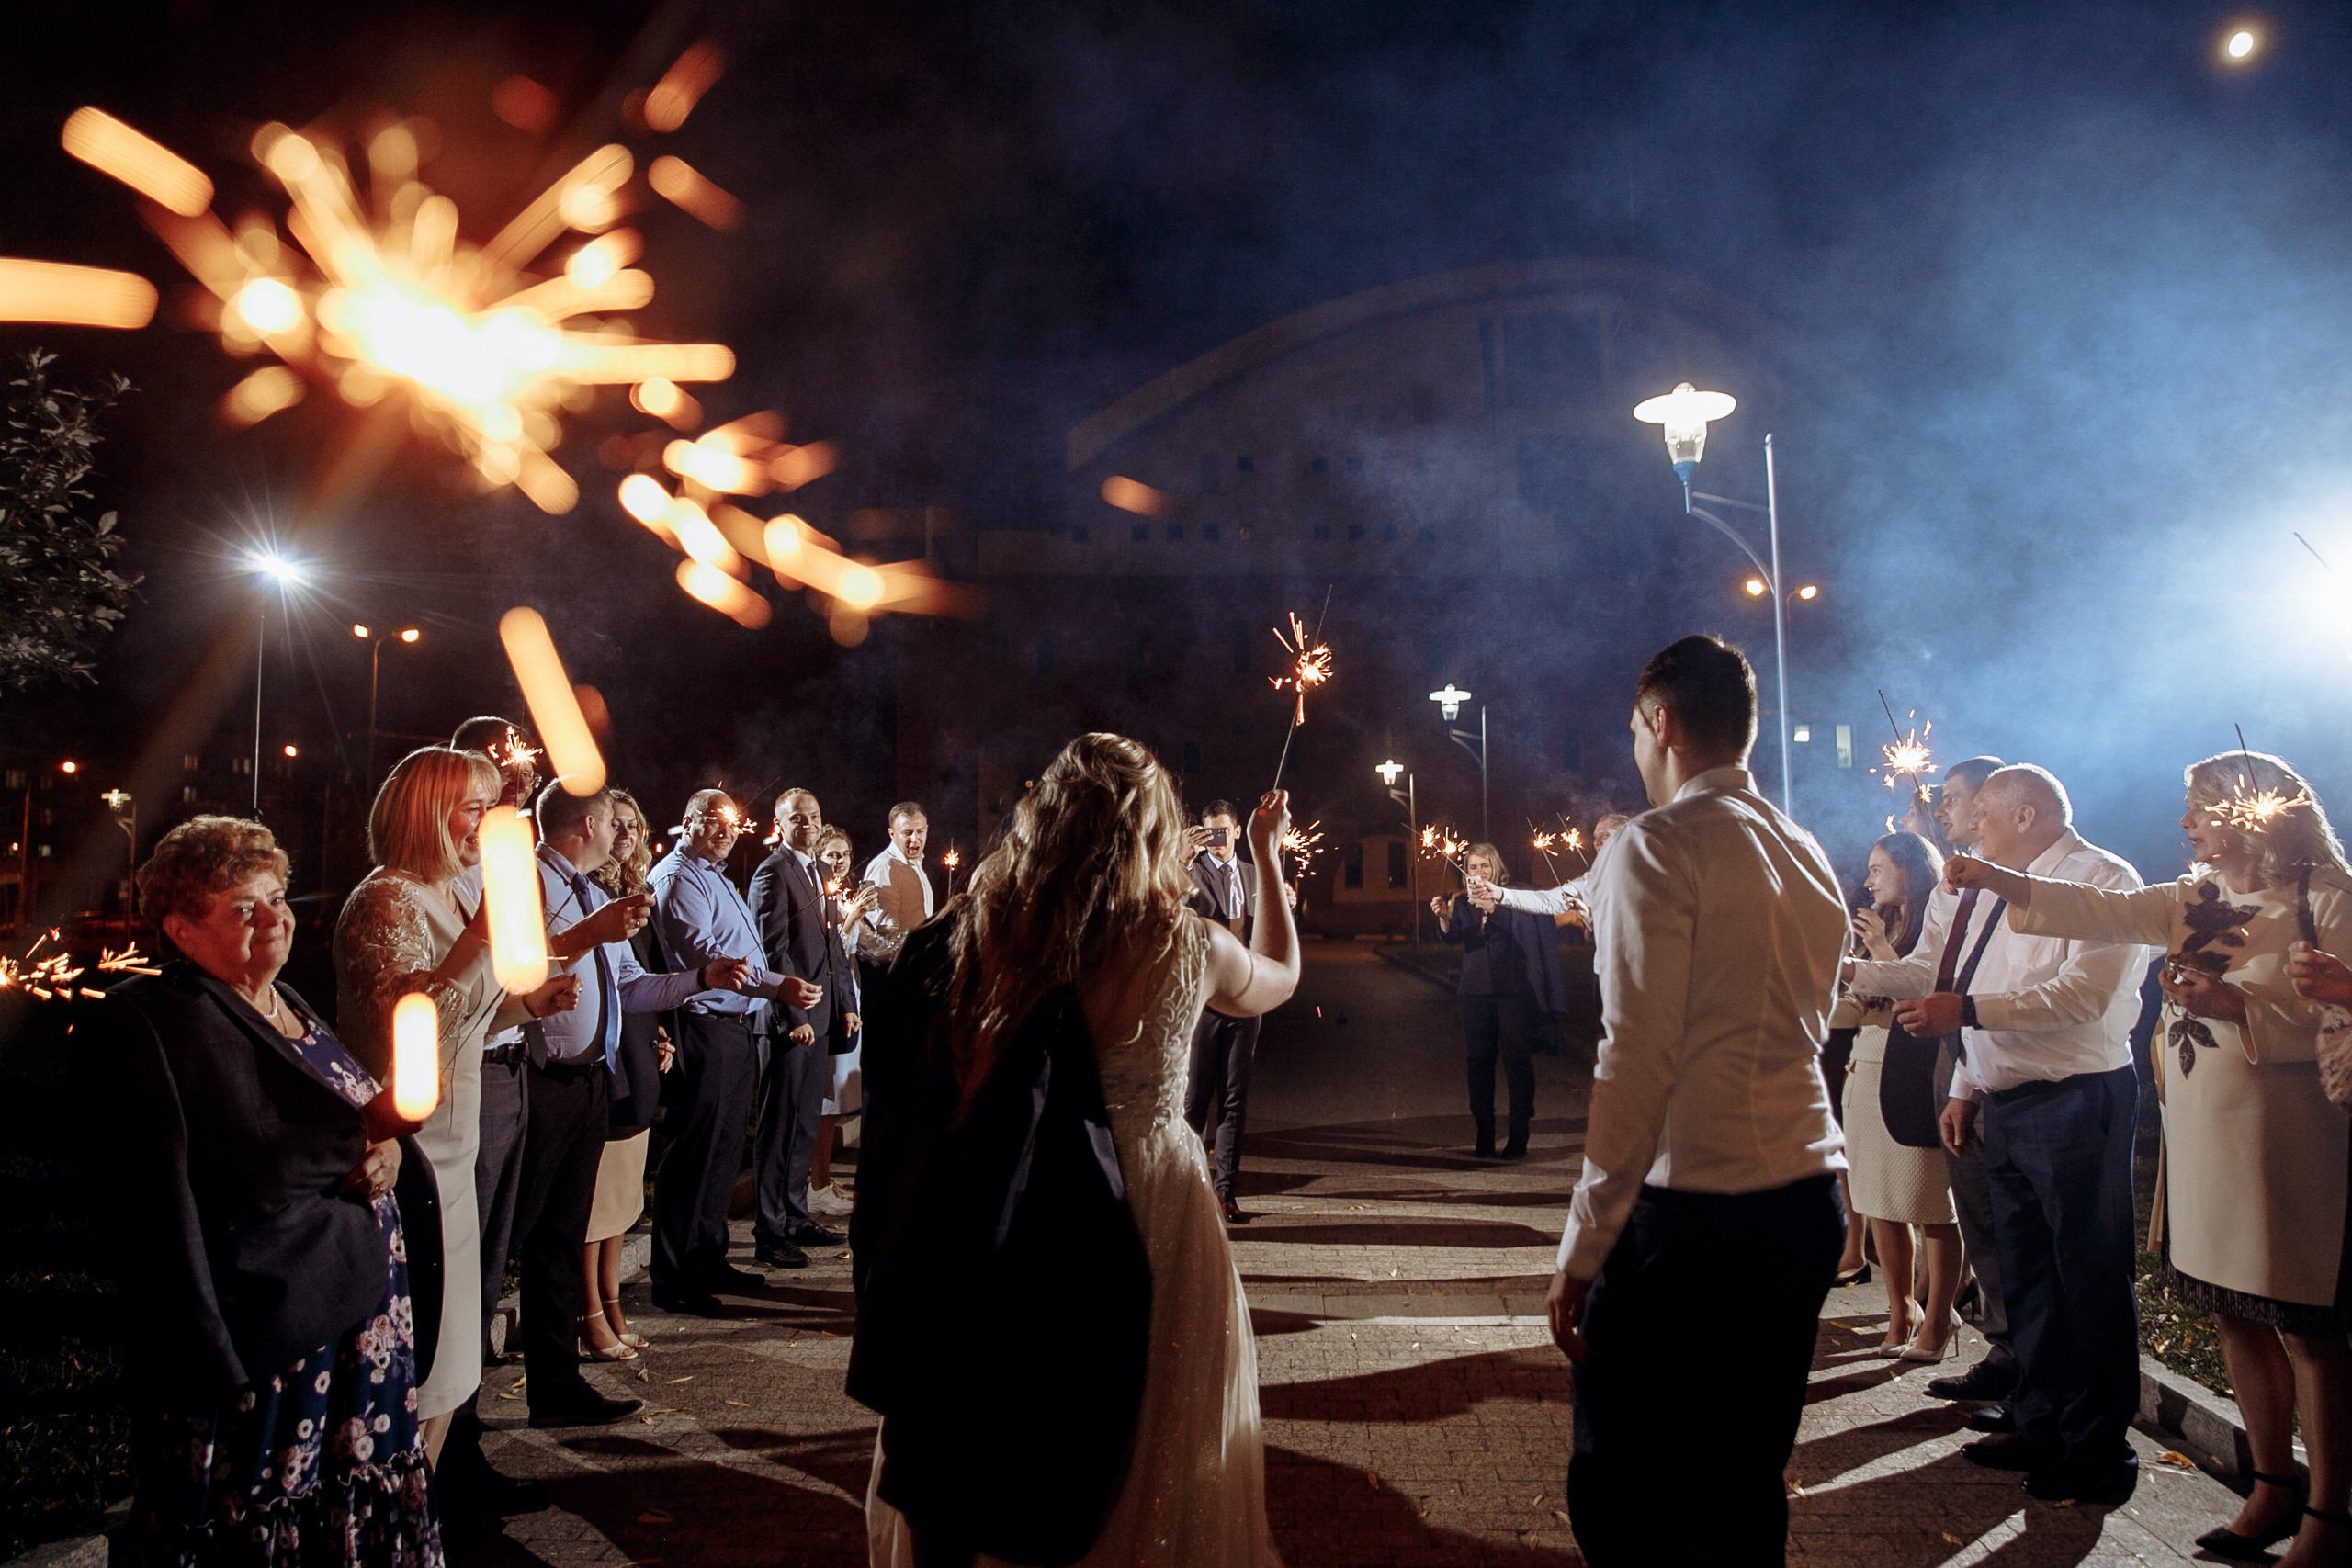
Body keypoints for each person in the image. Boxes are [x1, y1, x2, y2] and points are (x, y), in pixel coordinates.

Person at [854, 735, 1301, 1566]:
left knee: (1016, 1408)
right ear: (1153, 831)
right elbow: (1279, 972)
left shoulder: (994, 927)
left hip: (1019, 1193)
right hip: (1154, 1206)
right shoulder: (1185, 940)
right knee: (1156, 1428)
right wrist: (1270, 860)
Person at [1953, 751, 2352, 1558]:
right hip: (2204, 1129)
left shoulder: (2329, 900)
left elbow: (2335, 1015)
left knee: (2309, 1329)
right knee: (2233, 1311)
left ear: (2250, 814)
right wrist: (2003, 882)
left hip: (2288, 1133)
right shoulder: (2193, 899)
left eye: (2199, 807)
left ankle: (2329, 1516)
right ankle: (2271, 1487)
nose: (2184, 823)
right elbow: (2102, 911)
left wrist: (2241, 1002)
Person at [1545, 635, 1848, 1568]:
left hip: (1692, 1216)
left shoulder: (1656, 845)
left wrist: (1581, 1248)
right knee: (1743, 1480)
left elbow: (1634, 1056)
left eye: (1635, 734)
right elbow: (1819, 1015)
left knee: (1627, 1491)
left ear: (1659, 723)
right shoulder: (1804, 851)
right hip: (1805, 1196)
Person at [99, 817, 444, 1567]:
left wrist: (387, 1147)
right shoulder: (166, 1021)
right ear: (181, 929)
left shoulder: (288, 1001)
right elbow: (240, 1166)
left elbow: (347, 1118)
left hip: (357, 1328)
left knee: (342, 1506)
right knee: (258, 1514)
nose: (274, 916)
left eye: (278, 896)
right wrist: (366, 1134)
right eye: (242, 907)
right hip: (274, 1336)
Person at [1875, 763, 2154, 1506]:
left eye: (1983, 816)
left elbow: (2079, 996)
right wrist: (1967, 1082)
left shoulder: (2104, 880)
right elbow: (1947, 972)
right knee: (2027, 1273)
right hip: (2004, 1099)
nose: (1968, 828)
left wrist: (1961, 1014)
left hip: (2076, 1099)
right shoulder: (1998, 885)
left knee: (2087, 1275)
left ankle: (2098, 1446)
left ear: (2026, 814)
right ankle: (2040, 1416)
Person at [333, 747, 577, 1500]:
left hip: (456, 1152)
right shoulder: (387, 902)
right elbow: (408, 1025)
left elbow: (465, 1013)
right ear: (425, 813)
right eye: (473, 806)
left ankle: (419, 1518)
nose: (486, 822)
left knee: (453, 1359)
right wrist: (478, 937)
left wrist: (523, 1004)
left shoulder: (437, 895)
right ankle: (397, 1522)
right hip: (415, 1158)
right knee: (423, 1366)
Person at [514, 782, 752, 1425]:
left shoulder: (591, 892)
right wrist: (592, 931)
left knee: (565, 1235)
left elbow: (630, 984)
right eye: (615, 822)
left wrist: (698, 979)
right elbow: (512, 969)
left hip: (593, 1077)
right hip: (541, 1077)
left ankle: (556, 1386)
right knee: (531, 1236)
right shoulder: (528, 882)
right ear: (587, 823)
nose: (625, 834)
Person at [1851, 755, 2021, 1413]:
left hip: (2022, 1077)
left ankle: (2034, 1384)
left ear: (1996, 804)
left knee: (1996, 1231)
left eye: (1953, 799)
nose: (1942, 810)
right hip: (1964, 1072)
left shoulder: (2035, 884)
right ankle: (2007, 1360)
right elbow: (1924, 972)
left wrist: (1967, 1017)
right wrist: (1831, 964)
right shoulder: (1956, 892)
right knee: (1982, 1223)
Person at [647, 789, 825, 1314]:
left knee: (723, 1154)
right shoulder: (678, 878)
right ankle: (675, 1278)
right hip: (704, 1026)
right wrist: (779, 988)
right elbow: (704, 956)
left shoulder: (716, 876)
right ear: (687, 822)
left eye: (732, 823)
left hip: (734, 1026)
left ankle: (707, 1257)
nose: (725, 830)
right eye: (713, 820)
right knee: (694, 1156)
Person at [1836, 831, 1963, 1360]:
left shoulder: (1937, 924)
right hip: (1866, 1064)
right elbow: (1859, 1006)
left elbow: (1927, 991)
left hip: (1916, 1068)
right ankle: (1899, 1308)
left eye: (1878, 868)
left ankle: (1939, 1318)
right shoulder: (1878, 929)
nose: (1868, 881)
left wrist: (1881, 955)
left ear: (1909, 870)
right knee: (1877, 1199)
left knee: (1929, 1200)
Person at [447, 716, 540, 1371]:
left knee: (491, 1245)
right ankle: (447, 1417)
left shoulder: (505, 859)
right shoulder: (443, 876)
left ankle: (470, 1393)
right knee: (460, 1245)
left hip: (512, 1066)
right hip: (465, 1076)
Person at [749, 788, 863, 1267]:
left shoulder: (817, 872)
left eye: (814, 816)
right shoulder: (772, 873)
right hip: (791, 1022)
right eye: (798, 818)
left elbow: (832, 947)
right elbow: (772, 949)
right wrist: (792, 1016)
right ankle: (769, 1230)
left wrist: (845, 1004)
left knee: (802, 1125)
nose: (808, 824)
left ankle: (795, 1216)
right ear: (780, 824)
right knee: (779, 1126)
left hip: (820, 1017)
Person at [581, 788, 672, 1359]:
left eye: (633, 826)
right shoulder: (587, 894)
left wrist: (659, 1030)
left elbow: (641, 975)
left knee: (621, 1196)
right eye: (615, 825)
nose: (625, 835)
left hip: (636, 1039)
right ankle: (588, 1309)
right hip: (602, 1052)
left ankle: (611, 1300)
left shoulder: (633, 891)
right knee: (596, 1197)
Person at [1434, 842, 1567, 1159]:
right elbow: (1456, 938)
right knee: (1479, 1061)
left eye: (1484, 867)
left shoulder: (1512, 899)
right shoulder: (1464, 902)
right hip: (1475, 993)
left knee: (1517, 1061)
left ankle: (1519, 1134)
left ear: (1496, 868)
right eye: (1472, 867)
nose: (1478, 873)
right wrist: (1443, 917)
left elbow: (1518, 936)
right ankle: (1484, 1132)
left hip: (1512, 992)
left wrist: (1493, 909)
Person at [1182, 798, 1274, 1223]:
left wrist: (1283, 905)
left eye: (1224, 832)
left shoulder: (1257, 876)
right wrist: (1182, 861)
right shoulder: (1192, 872)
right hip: (1206, 1000)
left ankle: (1226, 1194)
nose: (1217, 841)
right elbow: (1172, 907)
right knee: (1195, 1100)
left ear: (1237, 832)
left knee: (1235, 1100)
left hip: (1246, 999)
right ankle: (1184, 1193)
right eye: (1210, 833)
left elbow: (1273, 935)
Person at [809, 825, 882, 1219]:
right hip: (830, 1005)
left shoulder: (843, 893)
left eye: (845, 855)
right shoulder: (817, 895)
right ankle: (815, 1182)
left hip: (850, 998)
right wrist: (851, 919)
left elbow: (858, 948)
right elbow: (830, 947)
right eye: (832, 854)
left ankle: (823, 1177)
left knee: (836, 1098)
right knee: (825, 1098)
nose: (839, 862)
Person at [862, 802, 934, 957]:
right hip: (901, 962)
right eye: (907, 833)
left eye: (920, 831)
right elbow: (885, 932)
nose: (915, 839)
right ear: (892, 834)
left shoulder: (914, 863)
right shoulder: (885, 867)